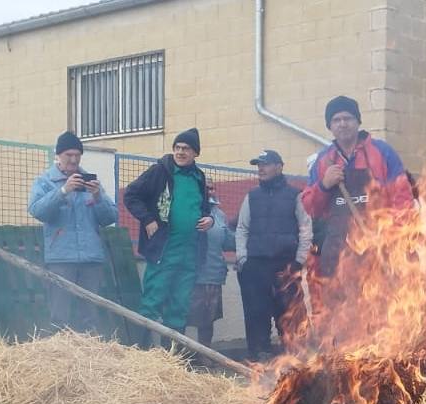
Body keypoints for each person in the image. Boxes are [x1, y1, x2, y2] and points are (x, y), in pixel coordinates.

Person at [301, 95, 413, 278]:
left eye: (348, 118)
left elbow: (403, 199)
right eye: (336, 120)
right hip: (338, 254)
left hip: (378, 248)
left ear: (358, 122)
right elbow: (309, 208)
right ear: (330, 126)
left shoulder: (382, 152)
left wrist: (390, 235)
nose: (342, 124)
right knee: (338, 306)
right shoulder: (323, 161)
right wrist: (324, 185)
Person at [124, 128, 213, 344]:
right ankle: (139, 352)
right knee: (152, 303)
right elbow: (131, 195)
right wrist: (147, 219)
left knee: (180, 308)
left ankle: (171, 360)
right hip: (164, 251)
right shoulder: (160, 171)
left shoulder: (199, 177)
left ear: (195, 153)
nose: (181, 152)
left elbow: (202, 208)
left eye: (186, 148)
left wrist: (209, 219)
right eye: (178, 148)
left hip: (189, 255)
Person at [28, 131, 118, 332]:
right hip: (61, 258)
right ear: (58, 155)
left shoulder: (91, 183)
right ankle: (58, 357)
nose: (74, 159)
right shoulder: (45, 182)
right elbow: (37, 211)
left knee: (90, 317)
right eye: (69, 154)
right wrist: (62, 191)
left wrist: (97, 197)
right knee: (59, 316)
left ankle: (90, 358)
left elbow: (110, 217)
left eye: (78, 154)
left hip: (91, 259)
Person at [235, 150, 312, 361]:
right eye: (258, 164)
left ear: (279, 166)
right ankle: (259, 355)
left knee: (291, 313)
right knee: (256, 313)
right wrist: (243, 259)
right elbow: (242, 229)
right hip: (256, 265)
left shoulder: (295, 195)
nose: (260, 168)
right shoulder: (251, 196)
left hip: (286, 265)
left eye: (266, 164)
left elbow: (306, 228)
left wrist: (299, 261)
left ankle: (295, 356)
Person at [186, 177, 234, 350]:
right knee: (183, 318)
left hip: (213, 277)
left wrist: (244, 232)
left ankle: (204, 355)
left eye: (212, 188)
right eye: (206, 188)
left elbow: (229, 242)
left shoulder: (220, 215)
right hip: (190, 278)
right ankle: (178, 357)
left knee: (208, 321)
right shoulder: (187, 210)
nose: (210, 191)